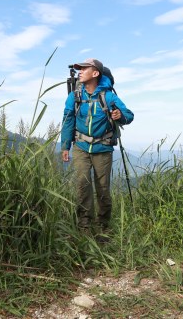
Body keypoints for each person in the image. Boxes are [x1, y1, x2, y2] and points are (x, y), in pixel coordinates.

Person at [61, 58, 134, 235]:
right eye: (79, 68)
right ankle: (84, 226)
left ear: (95, 73)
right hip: (80, 147)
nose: (80, 71)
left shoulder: (108, 96)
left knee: (102, 188)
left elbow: (129, 115)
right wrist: (65, 146)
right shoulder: (75, 96)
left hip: (103, 148)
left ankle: (103, 227)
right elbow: (68, 119)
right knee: (82, 185)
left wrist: (119, 116)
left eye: (84, 68)